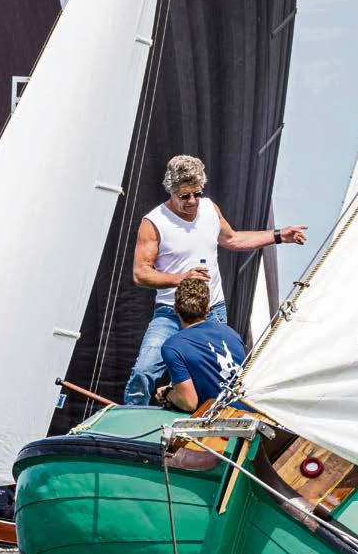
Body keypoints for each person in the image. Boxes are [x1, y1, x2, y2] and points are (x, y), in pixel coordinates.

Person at [124, 154, 306, 405]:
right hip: (171, 311)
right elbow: (140, 273)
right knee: (143, 371)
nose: (192, 201)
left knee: (223, 376)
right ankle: (130, 416)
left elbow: (232, 239)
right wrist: (181, 278)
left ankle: (210, 421)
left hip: (212, 310)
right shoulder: (154, 222)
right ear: (171, 191)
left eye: (197, 194)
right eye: (184, 196)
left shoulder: (209, 209)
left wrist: (279, 236)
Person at [154, 278, 247, 413]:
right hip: (251, 416)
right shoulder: (232, 335)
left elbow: (189, 402)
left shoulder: (172, 346)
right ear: (208, 308)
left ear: (175, 309)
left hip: (221, 420)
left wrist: (168, 394)